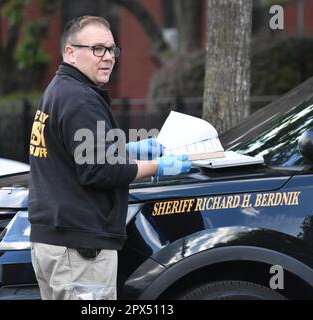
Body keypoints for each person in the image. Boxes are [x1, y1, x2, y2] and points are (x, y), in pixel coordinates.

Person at [28, 15, 191, 300]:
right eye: (97, 49)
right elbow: (99, 171)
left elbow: (75, 153)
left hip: (57, 243)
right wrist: (158, 167)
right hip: (79, 249)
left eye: (112, 49)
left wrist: (127, 149)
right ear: (70, 52)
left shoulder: (60, 90)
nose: (108, 58)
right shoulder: (80, 99)